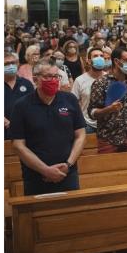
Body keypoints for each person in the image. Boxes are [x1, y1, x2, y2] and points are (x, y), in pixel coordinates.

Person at [10, 59, 86, 195]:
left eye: (56, 76)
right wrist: (45, 170)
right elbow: (18, 145)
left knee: (70, 215)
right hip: (36, 177)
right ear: (35, 79)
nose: (53, 80)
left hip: (67, 174)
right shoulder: (21, 106)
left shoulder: (70, 100)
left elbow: (80, 135)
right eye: (47, 76)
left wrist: (68, 165)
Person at [88, 47, 127, 153]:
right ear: (117, 62)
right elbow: (92, 112)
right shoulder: (101, 83)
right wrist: (109, 109)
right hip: (108, 137)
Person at [71, 47, 106, 134]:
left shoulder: (111, 79)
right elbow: (73, 102)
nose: (99, 58)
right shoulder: (79, 80)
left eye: (101, 56)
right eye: (95, 56)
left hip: (107, 124)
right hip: (87, 124)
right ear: (89, 61)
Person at [4, 51, 34, 139]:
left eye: (13, 63)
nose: (11, 66)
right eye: (6, 64)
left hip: (24, 131)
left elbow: (33, 105)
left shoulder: (26, 83)